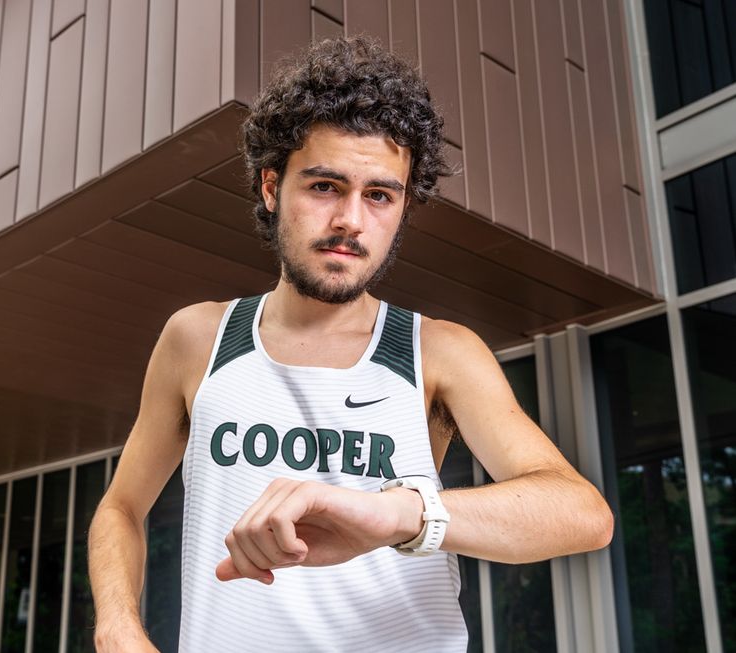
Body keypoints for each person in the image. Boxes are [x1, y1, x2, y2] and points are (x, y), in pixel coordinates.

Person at [88, 36, 614, 652]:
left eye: (379, 196)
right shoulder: (198, 338)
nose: (351, 220)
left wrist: (402, 513)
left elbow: (582, 515)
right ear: (271, 188)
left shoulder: (437, 352)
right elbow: (121, 509)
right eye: (324, 186)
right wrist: (117, 626)